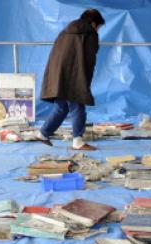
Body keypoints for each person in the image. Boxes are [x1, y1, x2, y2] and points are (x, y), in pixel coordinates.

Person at [37, 9, 105, 151]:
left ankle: (43, 133)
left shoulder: (64, 32)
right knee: (78, 106)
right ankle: (78, 141)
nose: (98, 29)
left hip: (57, 74)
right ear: (93, 23)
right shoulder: (90, 33)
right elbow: (89, 58)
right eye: (98, 26)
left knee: (61, 106)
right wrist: (85, 81)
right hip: (75, 75)